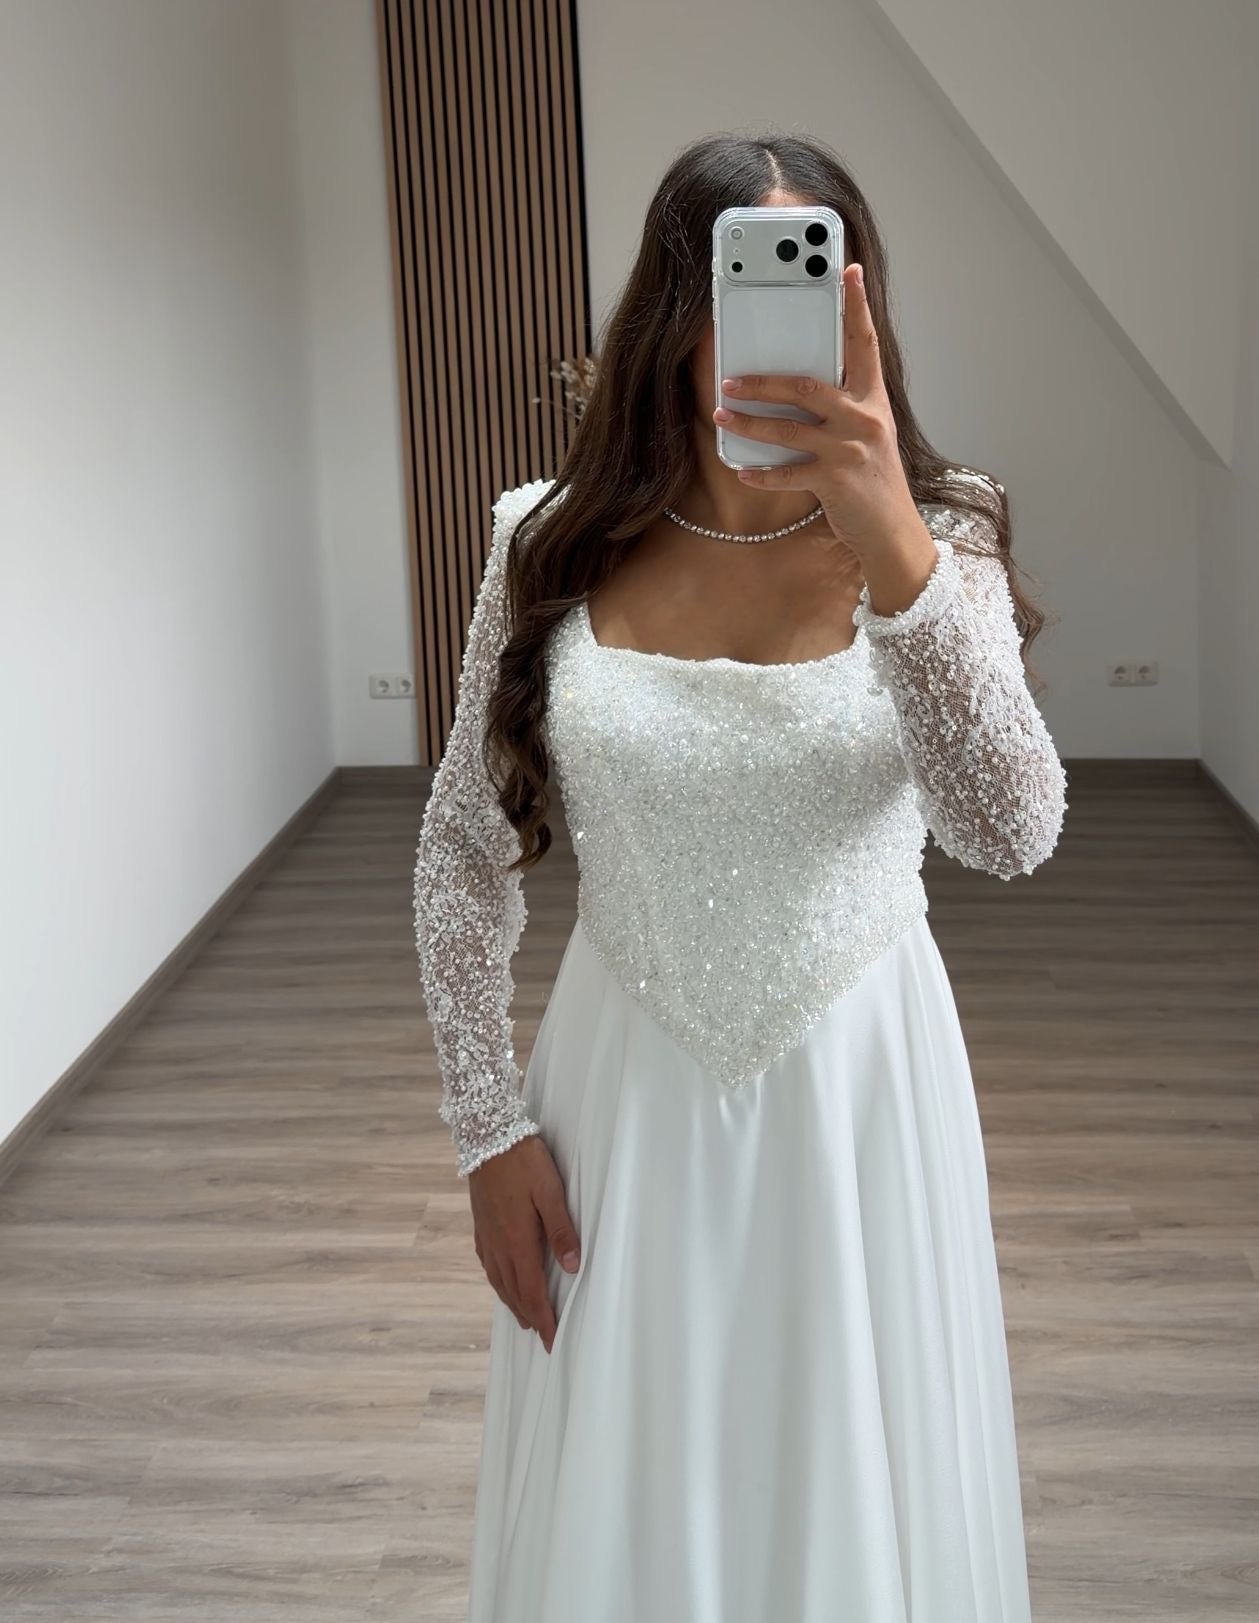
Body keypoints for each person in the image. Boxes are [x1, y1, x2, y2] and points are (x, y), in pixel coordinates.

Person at [412, 132, 1067, 1623]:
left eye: (816, 281)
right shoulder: (546, 539)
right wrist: (485, 1130)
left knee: (849, 1468)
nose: (775, 324)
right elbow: (459, 846)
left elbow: (1011, 828)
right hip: (619, 1094)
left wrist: (888, 535)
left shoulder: (943, 533)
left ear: (860, 310)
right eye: (739, 284)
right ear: (676, 310)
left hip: (861, 1099)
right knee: (634, 1485)